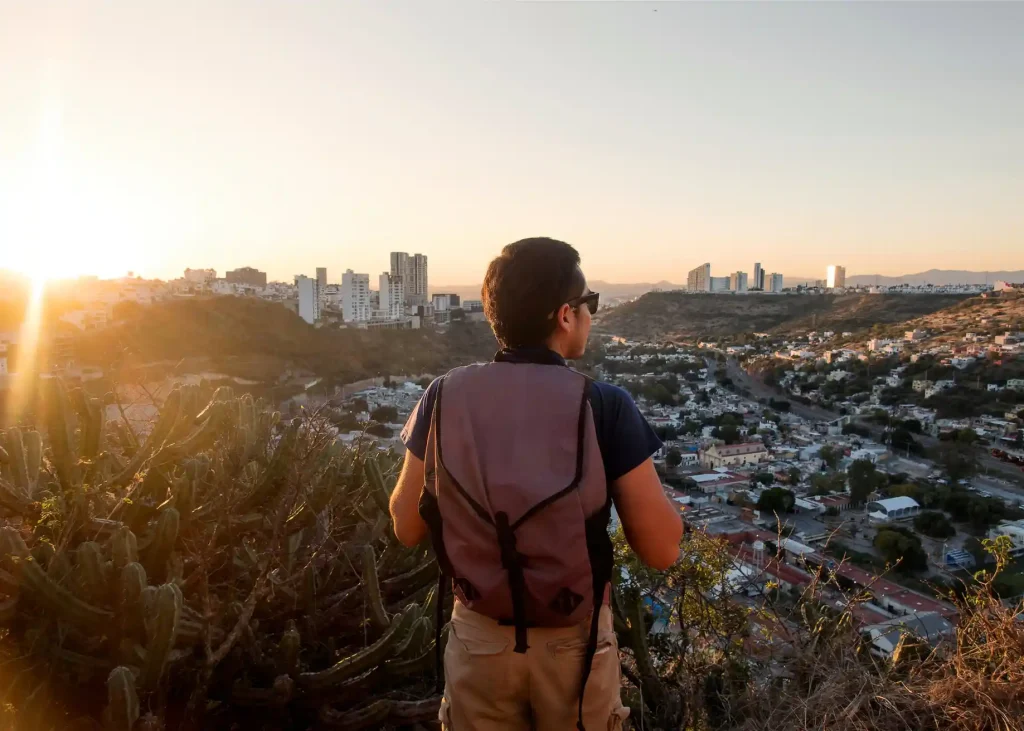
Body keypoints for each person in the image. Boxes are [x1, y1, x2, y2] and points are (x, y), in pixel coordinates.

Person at [390, 237, 683, 731]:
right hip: (574, 647)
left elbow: (405, 525)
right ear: (566, 315)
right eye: (590, 304)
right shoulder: (603, 405)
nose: (591, 315)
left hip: (478, 639)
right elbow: (661, 550)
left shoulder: (442, 396)